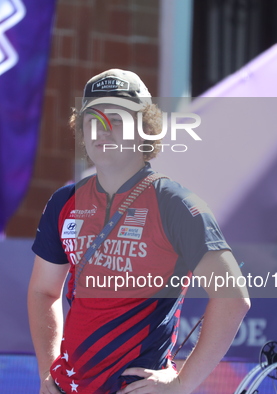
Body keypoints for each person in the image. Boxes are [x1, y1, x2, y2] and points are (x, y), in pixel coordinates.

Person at [28, 69, 250, 394]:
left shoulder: (175, 204)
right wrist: (48, 371)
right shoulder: (64, 202)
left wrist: (182, 383)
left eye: (116, 119)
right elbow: (43, 291)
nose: (102, 130)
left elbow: (233, 296)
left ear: (144, 129)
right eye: (93, 119)